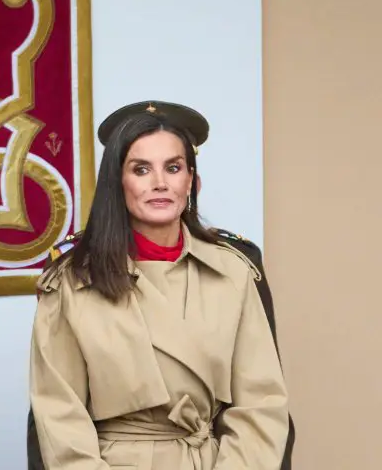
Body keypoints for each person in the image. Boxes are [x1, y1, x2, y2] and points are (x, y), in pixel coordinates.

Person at [26, 100, 297, 469]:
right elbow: (59, 417)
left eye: (173, 167)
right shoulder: (73, 279)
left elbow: (260, 406)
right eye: (141, 169)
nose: (159, 183)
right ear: (117, 182)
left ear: (192, 180)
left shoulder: (234, 271)